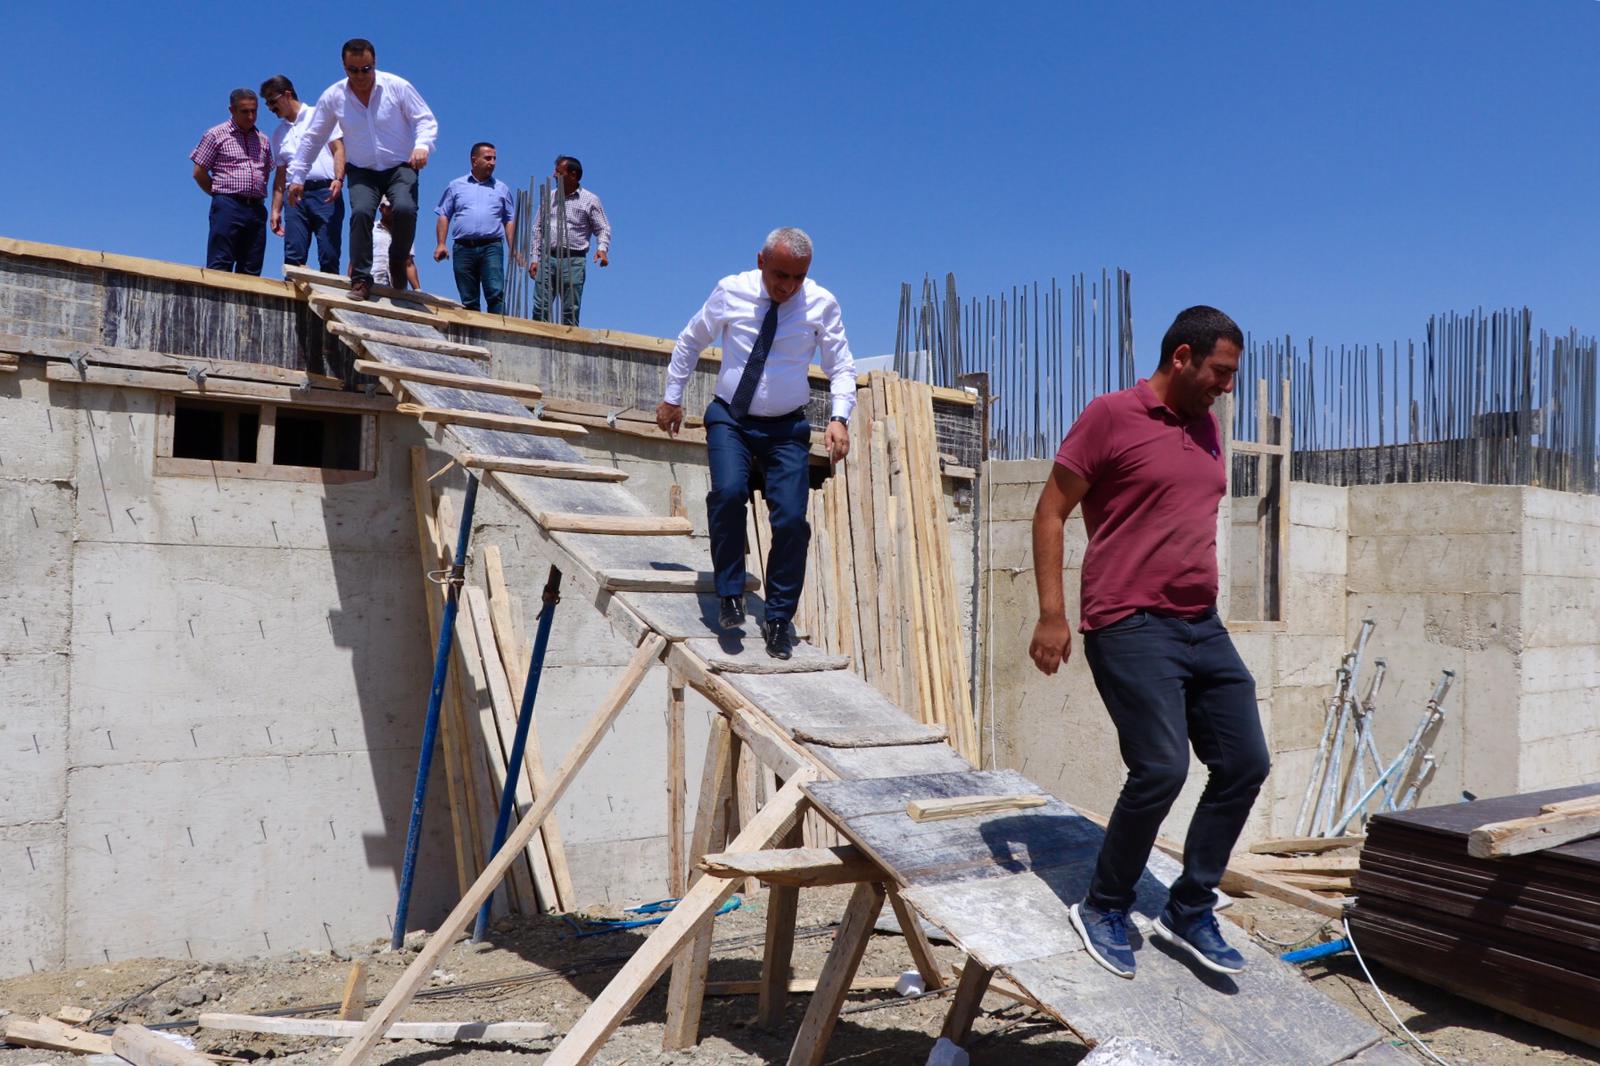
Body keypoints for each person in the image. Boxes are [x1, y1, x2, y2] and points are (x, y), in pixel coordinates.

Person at [1028, 305, 1269, 981]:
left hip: (1201, 623)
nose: (1227, 386)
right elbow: (1051, 509)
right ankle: (1104, 905)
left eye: (1233, 375)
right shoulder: (1110, 415)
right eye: (1221, 372)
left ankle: (1190, 908)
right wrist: (1052, 613)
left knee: (1245, 761)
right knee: (1161, 766)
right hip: (1128, 619)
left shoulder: (1210, 427)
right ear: (1183, 357)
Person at [655, 228, 855, 659]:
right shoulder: (731, 291)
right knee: (727, 494)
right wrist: (672, 398)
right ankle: (730, 593)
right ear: (761, 261)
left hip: (787, 430)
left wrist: (840, 418)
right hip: (732, 419)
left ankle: (780, 618)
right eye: (780, 274)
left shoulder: (821, 303)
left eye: (798, 278)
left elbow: (841, 366)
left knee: (790, 522)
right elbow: (691, 341)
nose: (788, 286)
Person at [287, 38, 437, 301]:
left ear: (374, 64)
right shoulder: (334, 96)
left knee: (404, 208)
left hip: (400, 166)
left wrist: (422, 145)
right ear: (344, 67)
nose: (360, 76)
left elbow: (424, 119)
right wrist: (298, 176)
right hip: (362, 171)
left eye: (365, 69)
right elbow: (313, 137)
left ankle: (398, 258)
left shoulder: (397, 87)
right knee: (360, 213)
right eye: (353, 70)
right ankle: (361, 279)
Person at [261, 75, 345, 274]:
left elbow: (338, 149)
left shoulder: (320, 115)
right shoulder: (278, 134)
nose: (271, 108)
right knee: (293, 256)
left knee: (329, 254)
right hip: (295, 198)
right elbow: (281, 175)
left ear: (287, 94)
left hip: (326, 192)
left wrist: (339, 179)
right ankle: (292, 303)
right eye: (267, 104)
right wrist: (275, 209)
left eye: (273, 101)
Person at [190, 88, 274, 275]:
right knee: (220, 263)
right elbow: (199, 172)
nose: (251, 116)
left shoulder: (263, 140)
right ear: (232, 110)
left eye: (254, 111)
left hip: (256, 208)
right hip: (228, 205)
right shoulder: (216, 135)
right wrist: (220, 194)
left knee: (252, 267)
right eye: (245, 111)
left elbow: (266, 173)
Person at [433, 143, 516, 312]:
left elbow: (509, 219)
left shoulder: (501, 188)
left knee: (495, 292)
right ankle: (474, 335)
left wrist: (513, 248)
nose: (492, 162)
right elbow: (444, 215)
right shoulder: (455, 186)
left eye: (494, 158)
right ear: (474, 160)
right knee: (468, 297)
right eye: (487, 158)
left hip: (491, 246)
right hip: (464, 247)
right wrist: (441, 243)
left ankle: (499, 333)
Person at [528, 155, 609, 325]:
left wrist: (602, 249)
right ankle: (539, 342)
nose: (554, 176)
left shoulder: (589, 200)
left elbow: (602, 228)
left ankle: (567, 347)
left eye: (559, 172)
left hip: (574, 260)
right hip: (548, 257)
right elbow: (537, 228)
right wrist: (535, 258)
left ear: (573, 175)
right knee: (540, 307)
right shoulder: (549, 197)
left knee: (570, 309)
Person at [371, 198, 419, 290]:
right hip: (371, 283)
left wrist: (417, 290)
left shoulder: (405, 234)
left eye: (395, 207)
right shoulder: (370, 228)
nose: (392, 210)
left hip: (396, 288)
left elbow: (409, 263)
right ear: (381, 209)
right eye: (389, 207)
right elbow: (358, 256)